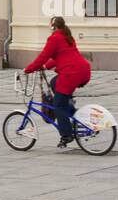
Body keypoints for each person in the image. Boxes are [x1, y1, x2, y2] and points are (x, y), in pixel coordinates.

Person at [23, 17, 91, 148]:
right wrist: (45, 67)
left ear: (53, 27)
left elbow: (43, 56)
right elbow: (59, 56)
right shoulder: (67, 36)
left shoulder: (54, 38)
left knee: (58, 105)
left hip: (71, 74)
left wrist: (29, 69)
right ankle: (70, 108)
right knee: (55, 84)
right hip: (82, 70)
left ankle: (66, 135)